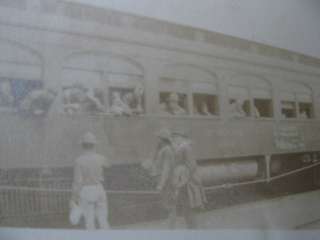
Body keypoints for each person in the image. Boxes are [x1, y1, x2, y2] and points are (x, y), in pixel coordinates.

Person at [71, 132, 111, 230]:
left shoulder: (79, 161)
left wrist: (74, 198)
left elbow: (78, 182)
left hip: (86, 190)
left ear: (83, 146)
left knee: (89, 221)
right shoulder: (101, 158)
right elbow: (108, 165)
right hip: (99, 188)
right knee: (103, 220)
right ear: (94, 145)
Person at [170, 130, 207, 229]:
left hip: (187, 182)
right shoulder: (182, 148)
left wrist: (182, 180)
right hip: (184, 181)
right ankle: (191, 227)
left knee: (188, 206)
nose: (174, 139)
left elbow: (191, 165)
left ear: (181, 137)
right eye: (173, 137)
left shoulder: (185, 148)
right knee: (186, 206)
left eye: (176, 137)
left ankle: (192, 228)